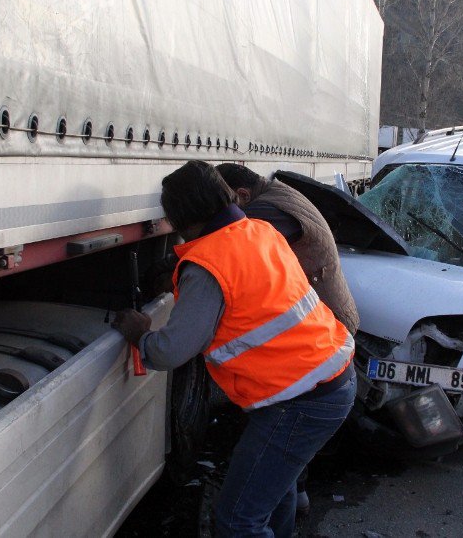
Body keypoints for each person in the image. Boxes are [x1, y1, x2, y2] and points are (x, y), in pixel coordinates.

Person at [112, 160, 355, 537]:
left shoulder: (208, 263)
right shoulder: (258, 230)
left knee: (237, 520)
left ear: (179, 217)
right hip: (329, 380)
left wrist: (142, 334)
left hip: (300, 401)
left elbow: (170, 351)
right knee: (275, 495)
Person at [214, 163, 360, 514]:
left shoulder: (265, 212)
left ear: (243, 196)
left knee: (289, 431)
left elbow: (237, 249)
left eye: (226, 203)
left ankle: (293, 495)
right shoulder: (276, 194)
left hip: (322, 330)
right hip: (326, 322)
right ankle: (293, 496)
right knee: (290, 441)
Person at [214, 163, 359, 335]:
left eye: (224, 206)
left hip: (331, 326)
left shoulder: (268, 210)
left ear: (243, 195)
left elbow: (223, 247)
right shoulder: (276, 192)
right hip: (330, 316)